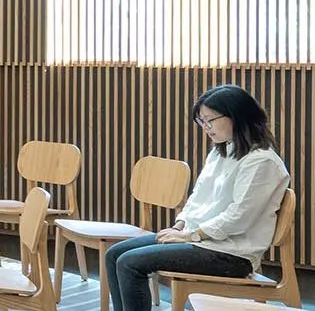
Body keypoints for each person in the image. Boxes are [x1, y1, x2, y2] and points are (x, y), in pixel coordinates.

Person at [100, 84, 292, 311]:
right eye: (202, 121)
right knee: (114, 254)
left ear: (236, 116)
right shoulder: (221, 150)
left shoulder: (262, 161)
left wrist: (190, 234)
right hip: (200, 239)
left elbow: (238, 217)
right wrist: (181, 225)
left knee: (130, 264)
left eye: (210, 120)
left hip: (231, 254)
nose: (205, 127)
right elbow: (198, 196)